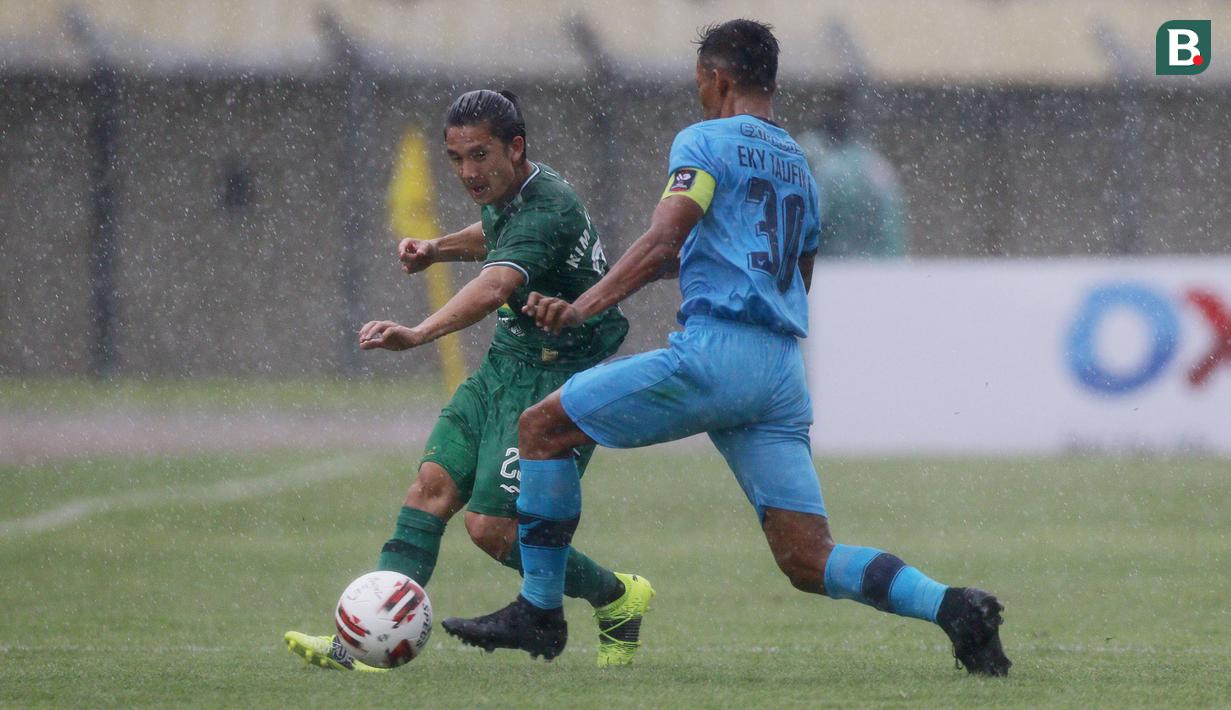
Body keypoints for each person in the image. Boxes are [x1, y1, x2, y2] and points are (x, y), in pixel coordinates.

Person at [442, 21, 1011, 677]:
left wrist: (581, 306)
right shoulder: (800, 165)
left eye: (699, 83)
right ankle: (954, 608)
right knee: (808, 558)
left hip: (717, 354)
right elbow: (793, 273)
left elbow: (664, 239)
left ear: (716, 79)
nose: (699, 94)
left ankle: (540, 610)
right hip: (778, 370)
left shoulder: (704, 142)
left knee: (542, 427)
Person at [284, 90, 654, 671]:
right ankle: (361, 646)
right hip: (505, 365)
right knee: (429, 489)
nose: (467, 172)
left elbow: (495, 285)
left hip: (556, 380)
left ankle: (616, 596)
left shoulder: (548, 207)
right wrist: (437, 249)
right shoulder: (513, 193)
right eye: (456, 158)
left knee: (494, 528)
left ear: (516, 148)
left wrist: (418, 333)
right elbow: (494, 234)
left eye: (479, 155)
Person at [795, 86, 910, 258]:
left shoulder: (830, 169)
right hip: (884, 264)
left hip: (838, 265)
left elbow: (808, 222)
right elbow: (894, 229)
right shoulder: (877, 165)